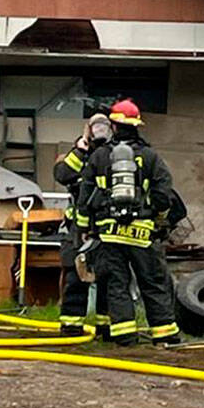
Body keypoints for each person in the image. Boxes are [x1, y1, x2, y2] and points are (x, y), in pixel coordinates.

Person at [77, 99, 181, 346]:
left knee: (116, 285)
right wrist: (158, 221)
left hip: (109, 234)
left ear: (113, 126)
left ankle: (124, 337)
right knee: (153, 283)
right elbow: (163, 196)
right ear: (137, 126)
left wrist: (85, 229)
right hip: (143, 233)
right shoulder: (150, 157)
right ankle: (165, 335)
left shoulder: (100, 156)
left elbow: (85, 198)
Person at [53, 113, 113, 337]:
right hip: (79, 225)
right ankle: (71, 325)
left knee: (108, 275)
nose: (100, 131)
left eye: (104, 127)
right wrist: (81, 148)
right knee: (75, 273)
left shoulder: (116, 151)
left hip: (106, 223)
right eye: (96, 127)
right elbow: (62, 174)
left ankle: (105, 328)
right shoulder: (80, 152)